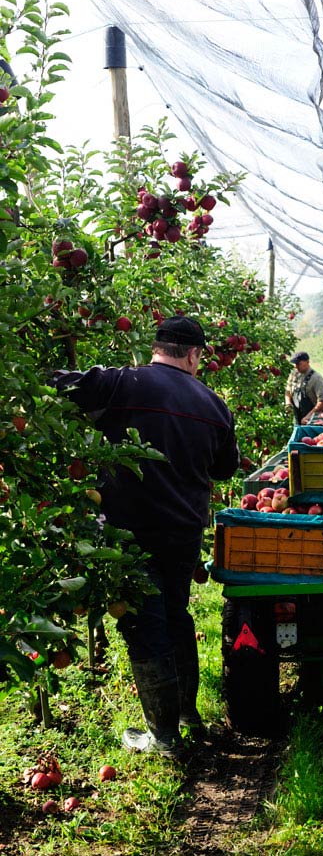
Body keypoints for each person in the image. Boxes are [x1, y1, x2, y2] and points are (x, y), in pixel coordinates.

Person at [52, 316, 241, 759]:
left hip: (127, 533)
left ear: (156, 347)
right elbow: (224, 469)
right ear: (194, 355)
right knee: (175, 614)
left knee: (144, 625)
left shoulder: (121, 383)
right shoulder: (214, 405)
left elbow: (55, 386)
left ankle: (164, 738)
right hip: (183, 531)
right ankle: (187, 717)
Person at [285, 351, 323, 424]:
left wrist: (309, 416)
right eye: (295, 364)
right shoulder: (294, 374)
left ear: (307, 362)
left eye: (299, 364)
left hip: (312, 421)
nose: (296, 366)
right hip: (298, 418)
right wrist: (288, 403)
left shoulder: (316, 378)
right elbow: (288, 391)